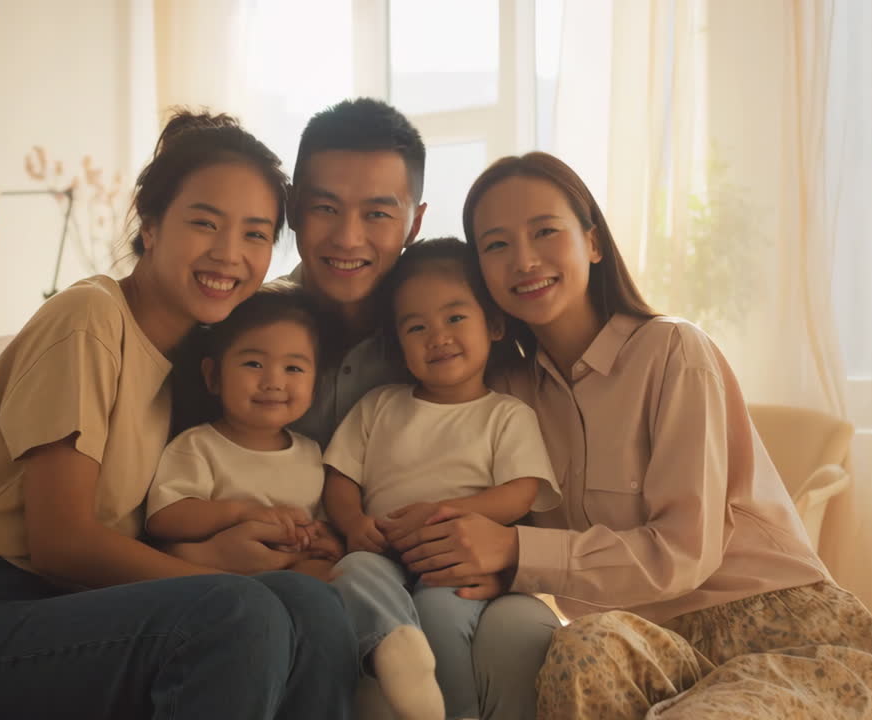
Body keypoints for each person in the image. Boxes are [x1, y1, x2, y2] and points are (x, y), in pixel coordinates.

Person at [392, 151, 872, 719]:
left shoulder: (674, 352)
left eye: (545, 231)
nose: (524, 259)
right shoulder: (503, 396)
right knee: (576, 650)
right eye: (496, 245)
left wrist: (515, 550)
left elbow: (684, 552)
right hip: (641, 643)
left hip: (780, 636)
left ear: (592, 243)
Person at [0, 110, 358, 720]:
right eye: (204, 223)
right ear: (151, 222)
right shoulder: (90, 320)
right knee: (240, 610)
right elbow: (62, 544)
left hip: (80, 607)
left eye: (256, 234)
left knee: (312, 603)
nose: (229, 254)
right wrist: (216, 569)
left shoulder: (202, 358)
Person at [323, 238, 560, 720]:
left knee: (439, 612)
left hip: (456, 556)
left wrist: (450, 514)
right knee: (352, 574)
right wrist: (352, 523)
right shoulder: (379, 405)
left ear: (493, 325)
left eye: (455, 318)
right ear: (398, 343)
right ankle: (396, 648)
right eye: (416, 327)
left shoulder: (504, 415)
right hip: (382, 550)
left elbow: (522, 492)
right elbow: (340, 475)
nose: (438, 336)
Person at [144, 285, 343, 578]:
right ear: (213, 376)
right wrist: (240, 513)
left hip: (290, 572)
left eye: (294, 368)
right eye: (254, 364)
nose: (273, 381)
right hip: (222, 578)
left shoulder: (312, 453)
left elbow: (319, 522)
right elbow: (165, 517)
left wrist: (325, 539)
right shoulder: (198, 445)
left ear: (316, 385)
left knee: (332, 576)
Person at [282, 98, 426, 448]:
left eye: (377, 214)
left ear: (414, 225)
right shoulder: (240, 328)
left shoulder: (445, 336)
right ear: (292, 209)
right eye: (326, 208)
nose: (347, 239)